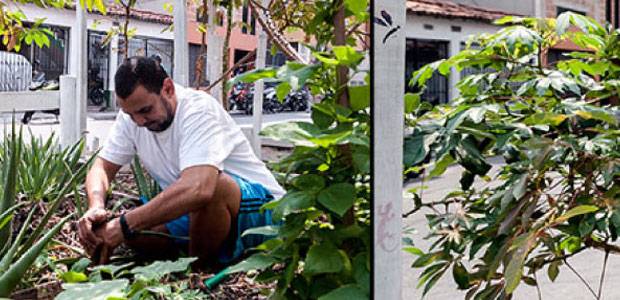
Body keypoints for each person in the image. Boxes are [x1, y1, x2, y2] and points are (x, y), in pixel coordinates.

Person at [77, 56, 285, 268]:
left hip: (265, 212)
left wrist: (124, 224)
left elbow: (199, 188)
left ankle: (197, 273)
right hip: (202, 214)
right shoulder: (132, 117)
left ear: (167, 88)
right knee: (135, 237)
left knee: (213, 187)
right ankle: (199, 253)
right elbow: (102, 166)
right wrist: (96, 206)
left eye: (145, 110)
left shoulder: (198, 110)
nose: (139, 122)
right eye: (130, 114)